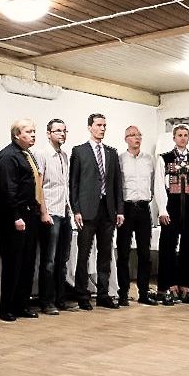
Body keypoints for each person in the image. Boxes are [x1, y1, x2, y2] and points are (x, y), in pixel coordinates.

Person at [69, 113, 124, 310]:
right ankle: (82, 294)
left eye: (104, 126)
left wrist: (119, 210)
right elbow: (73, 184)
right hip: (86, 210)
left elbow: (117, 183)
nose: (102, 129)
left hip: (108, 210)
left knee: (105, 254)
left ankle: (103, 294)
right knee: (84, 254)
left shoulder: (111, 152)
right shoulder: (79, 151)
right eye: (99, 125)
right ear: (90, 127)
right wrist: (76, 209)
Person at [0, 119, 43, 321]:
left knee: (27, 262)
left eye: (34, 131)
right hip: (13, 215)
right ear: (16, 135)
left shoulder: (27, 154)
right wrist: (16, 216)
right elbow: (8, 189)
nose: (33, 135)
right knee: (13, 262)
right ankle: (7, 307)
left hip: (30, 213)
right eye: (28, 131)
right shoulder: (8, 156)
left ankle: (22, 304)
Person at [154, 124, 189, 306]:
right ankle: (166, 288)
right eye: (180, 135)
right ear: (174, 138)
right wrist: (162, 208)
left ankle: (187, 288)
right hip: (171, 207)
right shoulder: (165, 159)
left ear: (188, 138)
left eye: (185, 135)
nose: (183, 138)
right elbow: (159, 185)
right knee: (168, 248)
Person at [36, 119, 75, 314]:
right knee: (49, 260)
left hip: (64, 211)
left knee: (62, 259)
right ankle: (46, 301)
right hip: (50, 211)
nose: (62, 134)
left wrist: (70, 210)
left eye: (64, 131)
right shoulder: (42, 154)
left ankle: (61, 299)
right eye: (58, 131)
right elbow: (39, 185)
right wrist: (43, 212)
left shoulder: (64, 156)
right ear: (48, 133)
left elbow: (64, 186)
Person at [116, 125, 158, 306]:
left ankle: (143, 293)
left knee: (144, 254)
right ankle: (123, 293)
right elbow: (116, 185)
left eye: (139, 135)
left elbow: (154, 184)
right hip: (125, 209)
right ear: (126, 139)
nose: (136, 138)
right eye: (132, 135)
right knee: (124, 253)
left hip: (143, 208)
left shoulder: (149, 159)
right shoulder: (120, 159)